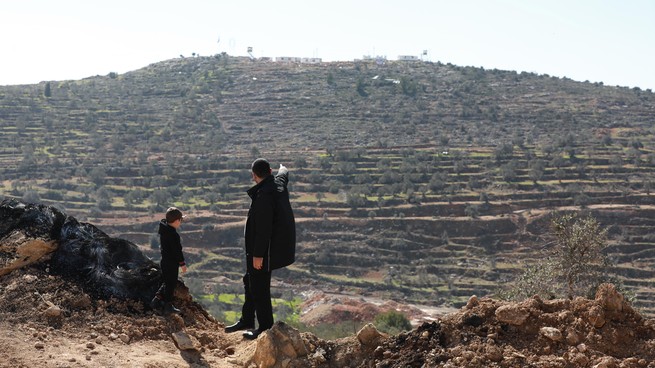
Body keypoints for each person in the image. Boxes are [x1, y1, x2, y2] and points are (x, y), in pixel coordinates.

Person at [225, 158, 296, 340]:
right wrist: (282, 168)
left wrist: (258, 255)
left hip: (264, 252)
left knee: (260, 288)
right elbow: (284, 175)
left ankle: (265, 327)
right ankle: (247, 319)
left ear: (254, 175)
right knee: (250, 281)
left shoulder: (264, 196)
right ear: (270, 172)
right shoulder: (277, 184)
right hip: (269, 250)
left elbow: (264, 230)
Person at [150, 207, 188, 314]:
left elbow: (169, 219)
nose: (180, 222)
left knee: (167, 281)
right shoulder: (173, 235)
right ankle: (168, 305)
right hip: (172, 263)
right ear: (176, 221)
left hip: (164, 261)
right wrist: (182, 264)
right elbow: (177, 251)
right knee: (171, 284)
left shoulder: (164, 229)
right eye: (180, 220)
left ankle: (156, 300)